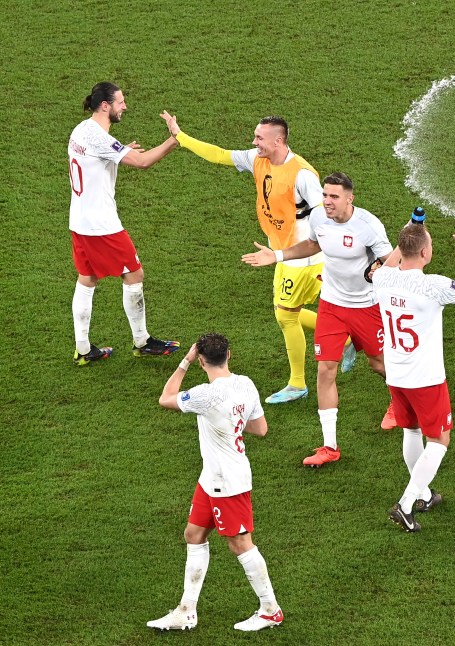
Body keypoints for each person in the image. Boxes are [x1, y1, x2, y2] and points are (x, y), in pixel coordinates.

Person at [161, 112, 357, 405]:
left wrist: (334, 244)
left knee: (286, 315)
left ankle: (298, 383)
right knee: (293, 311)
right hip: (281, 253)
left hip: (299, 257)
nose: (254, 142)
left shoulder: (302, 175)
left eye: (259, 138)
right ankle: (348, 337)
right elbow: (220, 155)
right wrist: (181, 136)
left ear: (278, 141)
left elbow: (323, 213)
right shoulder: (257, 158)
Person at [242, 172, 395, 467]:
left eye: (334, 197)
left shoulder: (368, 225)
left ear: (350, 198)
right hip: (332, 305)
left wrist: (380, 270)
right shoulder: (318, 218)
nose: (327, 201)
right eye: (325, 195)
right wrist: (277, 256)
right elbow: (313, 245)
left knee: (379, 363)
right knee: (325, 370)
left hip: (367, 306)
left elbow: (389, 259)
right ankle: (329, 447)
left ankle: (401, 403)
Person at [150, 333, 282, 632]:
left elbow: (165, 398)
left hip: (228, 480)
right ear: (229, 355)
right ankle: (186, 610)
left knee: (240, 543)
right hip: (211, 478)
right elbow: (260, 429)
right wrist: (232, 422)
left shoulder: (204, 395)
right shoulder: (245, 383)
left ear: (200, 360)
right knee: (194, 534)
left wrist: (183, 361)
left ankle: (270, 609)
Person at [372, 220, 455, 532]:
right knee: (439, 439)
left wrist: (406, 235)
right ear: (425, 252)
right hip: (425, 377)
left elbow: (388, 264)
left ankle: (423, 495)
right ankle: (407, 502)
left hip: (395, 374)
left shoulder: (382, 277)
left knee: (410, 431)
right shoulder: (433, 285)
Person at [69, 82, 181, 365]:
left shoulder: (81, 130)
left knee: (87, 279)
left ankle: (83, 349)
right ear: (105, 106)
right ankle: (142, 341)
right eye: (120, 102)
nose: (124, 106)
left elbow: (98, 157)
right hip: (102, 226)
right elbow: (142, 162)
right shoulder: (99, 138)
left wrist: (117, 153)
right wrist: (173, 140)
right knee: (134, 275)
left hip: (79, 221)